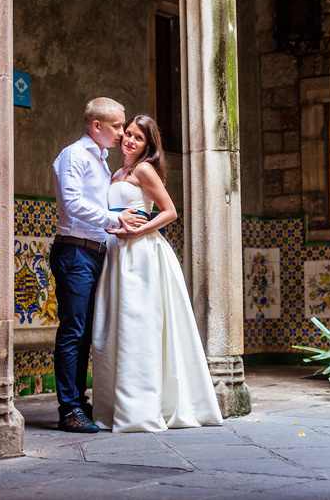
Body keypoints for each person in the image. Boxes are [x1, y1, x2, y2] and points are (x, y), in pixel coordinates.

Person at [91, 114, 223, 432]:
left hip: (142, 255)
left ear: (148, 145)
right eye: (129, 135)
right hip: (116, 253)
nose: (131, 141)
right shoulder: (115, 173)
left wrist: (139, 232)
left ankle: (142, 409)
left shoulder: (143, 169)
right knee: (114, 327)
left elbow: (170, 211)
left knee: (139, 326)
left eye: (139, 138)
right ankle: (114, 407)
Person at [49, 98, 146, 433]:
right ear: (97, 126)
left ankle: (78, 399)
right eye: (117, 126)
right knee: (73, 331)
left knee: (88, 332)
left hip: (95, 252)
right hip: (74, 253)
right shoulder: (74, 156)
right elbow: (73, 204)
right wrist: (115, 217)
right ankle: (69, 409)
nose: (122, 133)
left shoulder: (101, 161)